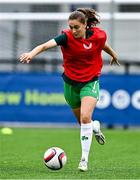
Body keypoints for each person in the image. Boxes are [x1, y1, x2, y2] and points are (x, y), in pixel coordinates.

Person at [19, 8, 120, 172]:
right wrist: (31, 53)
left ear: (85, 24)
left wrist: (113, 54)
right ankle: (94, 126)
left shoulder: (99, 35)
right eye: (71, 27)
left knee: (85, 116)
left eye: (76, 27)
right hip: (70, 84)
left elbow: (102, 45)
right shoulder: (66, 37)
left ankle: (84, 160)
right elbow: (45, 45)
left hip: (90, 81)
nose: (73, 30)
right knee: (83, 123)